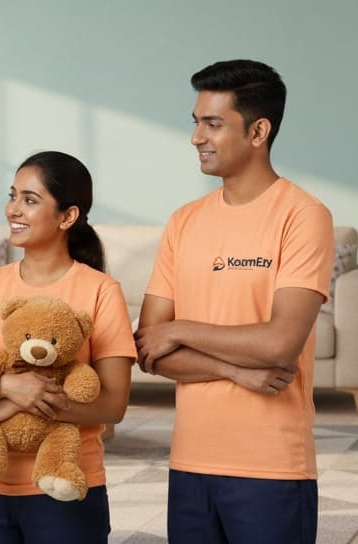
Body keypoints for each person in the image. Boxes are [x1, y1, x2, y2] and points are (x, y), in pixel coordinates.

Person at [134, 59, 335, 543]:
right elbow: (147, 348)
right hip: (189, 461)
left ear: (258, 131)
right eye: (196, 122)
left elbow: (280, 343)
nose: (196, 137)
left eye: (213, 123)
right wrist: (235, 370)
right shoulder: (184, 221)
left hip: (272, 467)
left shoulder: (304, 216)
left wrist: (180, 330)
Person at [0, 150, 136, 543]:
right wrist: (7, 388)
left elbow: (113, 404)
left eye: (30, 200)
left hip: (65, 486)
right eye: (13, 196)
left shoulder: (101, 291)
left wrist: (19, 402)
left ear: (67, 216)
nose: (14, 209)